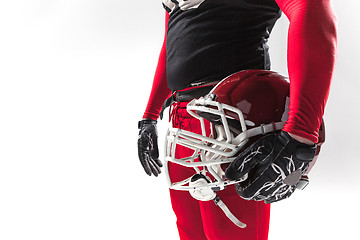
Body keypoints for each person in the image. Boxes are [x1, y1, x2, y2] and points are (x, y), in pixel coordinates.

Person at [137, 0, 337, 239]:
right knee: (191, 232)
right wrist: (149, 116)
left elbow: (311, 7)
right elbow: (174, 39)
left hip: (233, 119)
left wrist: (301, 131)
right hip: (182, 120)